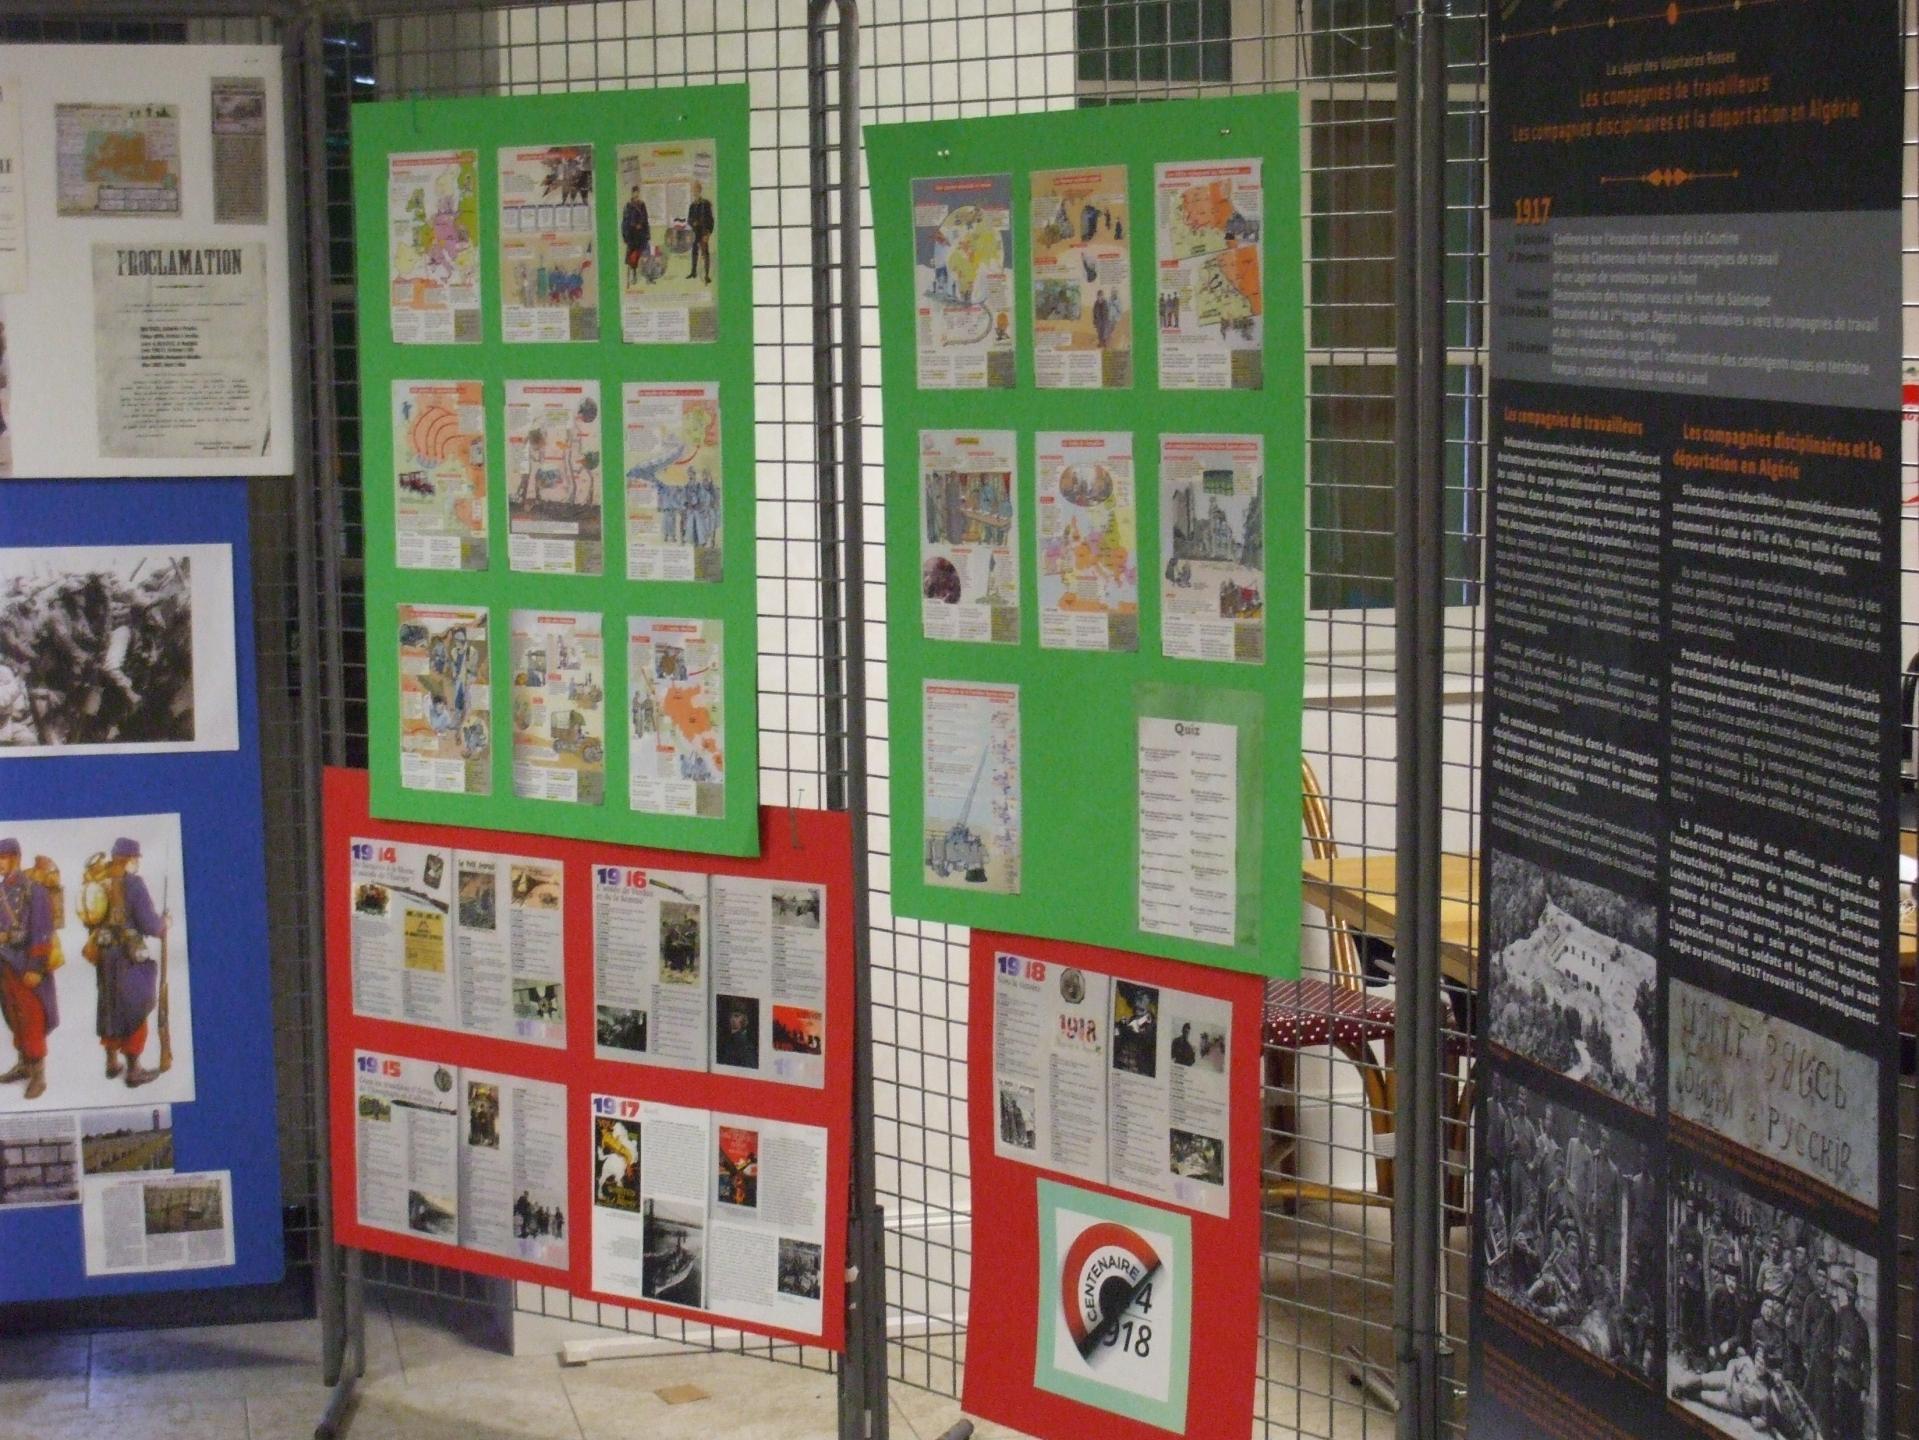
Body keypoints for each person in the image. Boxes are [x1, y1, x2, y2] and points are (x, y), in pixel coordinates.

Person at [88, 836, 168, 1089]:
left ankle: (112, 1063)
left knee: (109, 1007)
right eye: (135, 858)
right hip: (128, 957)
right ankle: (134, 1071)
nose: (137, 863)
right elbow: (150, 924)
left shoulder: (98, 881)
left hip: (105, 958)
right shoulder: (134, 884)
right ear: (130, 859)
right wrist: (164, 923)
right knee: (136, 1008)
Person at [0, 839, 56, 1101]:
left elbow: (42, 932)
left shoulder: (34, 890)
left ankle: (38, 1075)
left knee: (32, 1018)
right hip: (5, 964)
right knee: (14, 1016)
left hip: (26, 966)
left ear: (15, 858)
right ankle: (24, 1065)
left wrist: (36, 967)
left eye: (2, 858)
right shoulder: (2, 890)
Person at [1830, 1267, 1871, 1437]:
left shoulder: (1862, 1324)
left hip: (1855, 1381)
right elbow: (1833, 1343)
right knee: (1839, 1422)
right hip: (1841, 1376)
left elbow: (1867, 1359)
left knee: (1854, 1427)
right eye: (1848, 1292)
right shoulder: (1840, 1315)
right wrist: (1838, 1355)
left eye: (1853, 1292)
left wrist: (1865, 1388)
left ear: (1856, 1295)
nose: (1850, 1296)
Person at [685, 180, 714, 284]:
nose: (695, 192)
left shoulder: (705, 204)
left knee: (705, 254)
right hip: (695, 233)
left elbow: (710, 219)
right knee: (694, 252)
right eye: (694, 190)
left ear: (700, 190)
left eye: (697, 189)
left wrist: (708, 233)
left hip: (703, 232)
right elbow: (689, 219)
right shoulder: (692, 205)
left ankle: (706, 276)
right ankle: (693, 272)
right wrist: (693, 222)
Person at [621, 185, 651, 285]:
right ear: (632, 193)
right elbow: (625, 222)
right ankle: (633, 277)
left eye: (637, 193)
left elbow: (646, 220)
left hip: (641, 235)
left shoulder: (642, 205)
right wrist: (625, 235)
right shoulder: (628, 206)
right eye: (634, 193)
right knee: (632, 259)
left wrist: (647, 233)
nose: (636, 195)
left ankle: (647, 277)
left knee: (645, 255)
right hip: (632, 236)